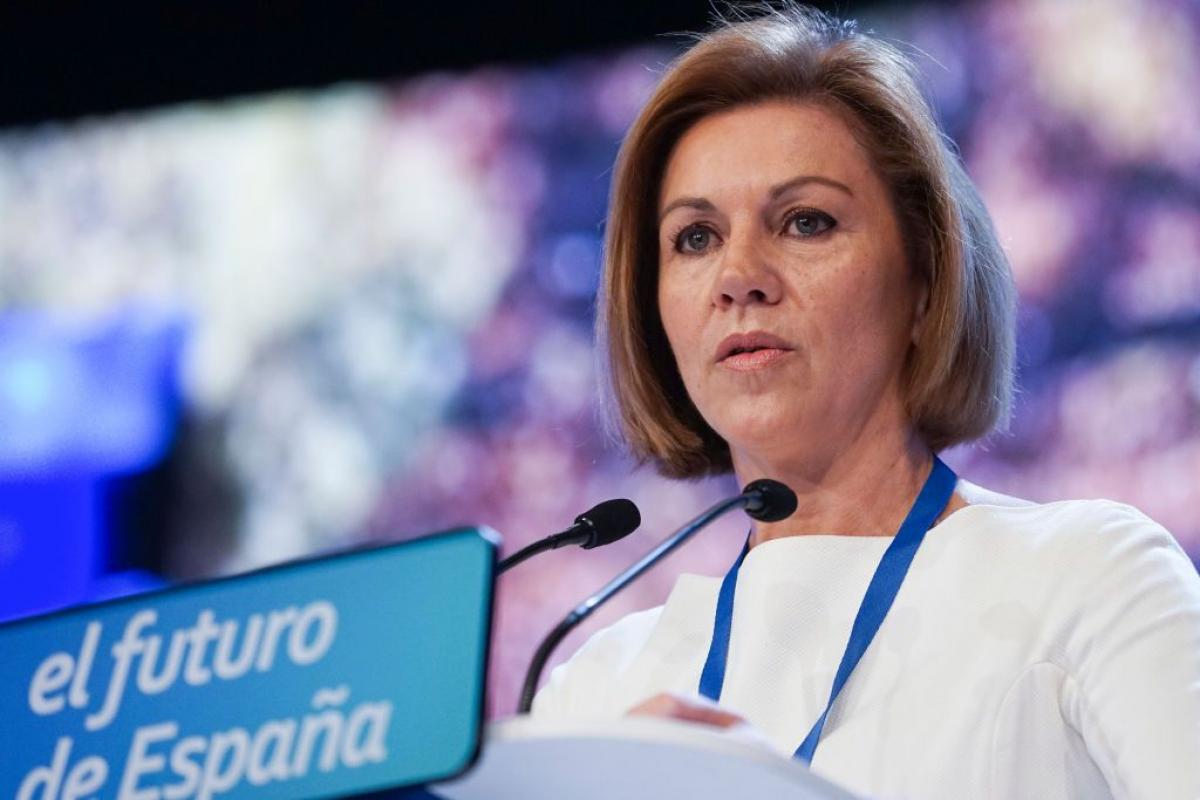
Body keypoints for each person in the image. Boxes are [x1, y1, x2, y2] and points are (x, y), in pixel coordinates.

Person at [529, 5, 1200, 798]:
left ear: (924, 283)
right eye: (695, 238)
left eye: (805, 222)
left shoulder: (1087, 578)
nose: (738, 277)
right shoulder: (594, 695)